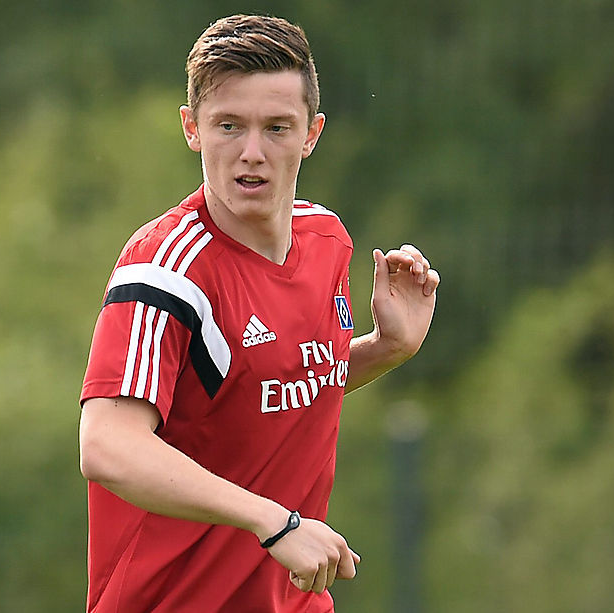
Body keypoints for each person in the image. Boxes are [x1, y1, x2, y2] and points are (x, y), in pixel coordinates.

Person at [78, 14, 440, 613]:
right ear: (192, 128)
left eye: (276, 128)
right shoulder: (166, 269)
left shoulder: (327, 242)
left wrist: (386, 348)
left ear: (312, 133)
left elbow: (274, 384)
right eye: (229, 126)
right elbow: (107, 444)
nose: (252, 153)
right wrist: (275, 523)